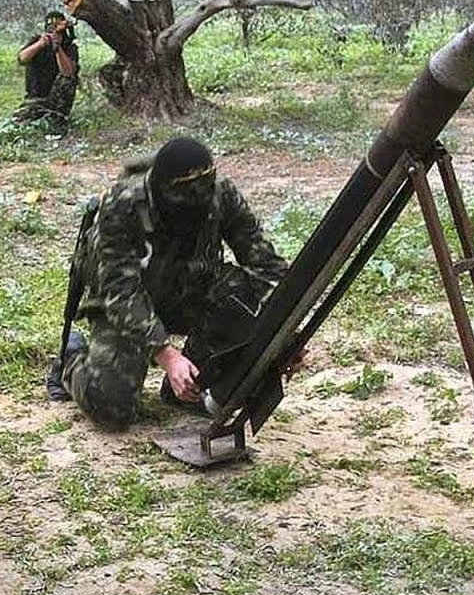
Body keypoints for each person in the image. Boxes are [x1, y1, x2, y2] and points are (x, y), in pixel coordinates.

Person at [48, 137, 295, 431]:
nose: (197, 203)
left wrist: (285, 332)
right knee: (111, 409)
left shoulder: (221, 194)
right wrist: (166, 354)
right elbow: (119, 291)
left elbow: (266, 265)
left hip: (189, 293)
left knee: (240, 293)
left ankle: (188, 385)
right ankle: (72, 359)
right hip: (128, 308)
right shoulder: (123, 205)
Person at [13, 10, 79, 135]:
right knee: (19, 126)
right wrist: (40, 44)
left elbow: (68, 72)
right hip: (35, 99)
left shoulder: (70, 48)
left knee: (68, 80)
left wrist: (58, 48)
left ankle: (58, 119)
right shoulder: (37, 41)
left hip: (57, 102)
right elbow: (21, 58)